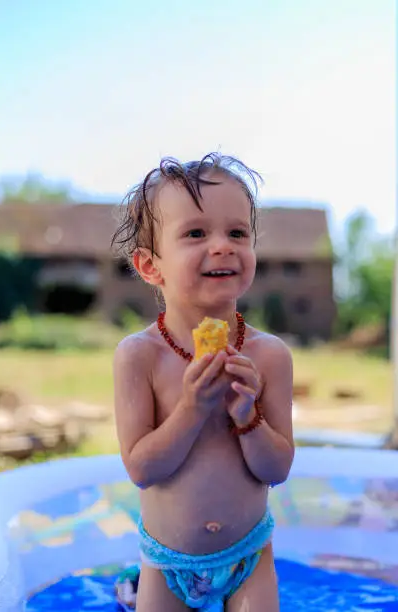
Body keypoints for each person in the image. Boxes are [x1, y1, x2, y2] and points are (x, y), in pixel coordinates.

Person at [112, 153, 294, 611]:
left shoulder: (269, 356)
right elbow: (142, 469)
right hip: (167, 561)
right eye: (196, 233)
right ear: (151, 266)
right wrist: (192, 407)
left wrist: (246, 415)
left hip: (248, 554)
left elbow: (277, 471)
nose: (223, 246)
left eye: (237, 233)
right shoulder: (140, 357)